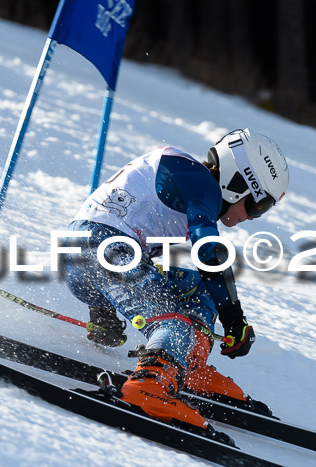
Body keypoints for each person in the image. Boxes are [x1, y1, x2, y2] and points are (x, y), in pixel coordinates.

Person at [63, 128, 289, 430]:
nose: (251, 217)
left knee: (195, 285)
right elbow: (209, 252)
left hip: (88, 256)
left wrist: (101, 310)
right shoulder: (200, 184)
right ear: (238, 183)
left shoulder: (187, 175)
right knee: (174, 323)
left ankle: (185, 365)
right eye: (256, 206)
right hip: (102, 250)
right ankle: (149, 385)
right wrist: (234, 318)